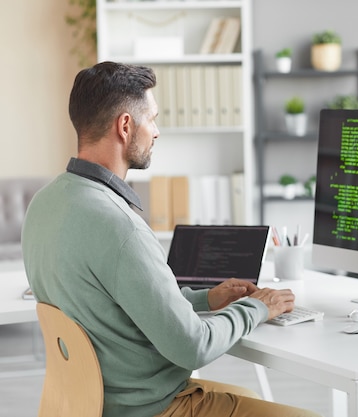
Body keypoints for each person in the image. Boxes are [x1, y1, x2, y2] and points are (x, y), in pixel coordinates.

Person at [21, 61, 322, 417]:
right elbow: (193, 346)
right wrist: (260, 307)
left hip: (85, 402)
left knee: (242, 392)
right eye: (153, 119)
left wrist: (208, 298)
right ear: (125, 126)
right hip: (152, 408)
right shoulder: (120, 228)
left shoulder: (45, 203)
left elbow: (120, 304)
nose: (157, 131)